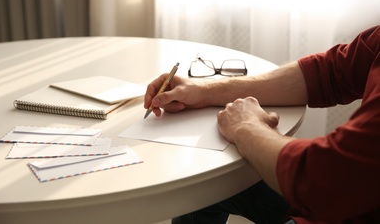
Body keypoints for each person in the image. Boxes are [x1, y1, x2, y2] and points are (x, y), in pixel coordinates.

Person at [144, 25, 380, 223]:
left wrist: (246, 127)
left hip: (335, 204)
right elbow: (326, 72)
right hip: (342, 198)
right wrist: (203, 91)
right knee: (199, 188)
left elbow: (321, 179)